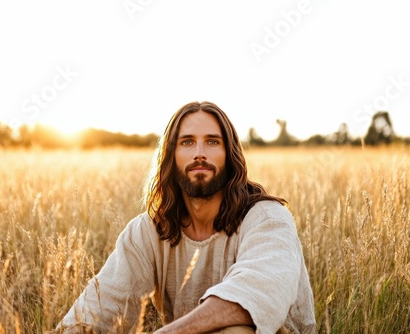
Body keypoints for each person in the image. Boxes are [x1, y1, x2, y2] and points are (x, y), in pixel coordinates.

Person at [57, 101, 316, 333]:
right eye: (187, 142)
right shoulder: (149, 230)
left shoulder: (268, 218)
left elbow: (257, 294)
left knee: (236, 330)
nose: (199, 153)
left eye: (213, 142)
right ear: (171, 155)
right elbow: (103, 305)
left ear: (230, 154)